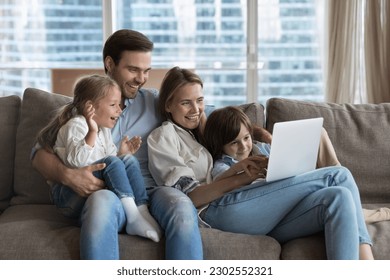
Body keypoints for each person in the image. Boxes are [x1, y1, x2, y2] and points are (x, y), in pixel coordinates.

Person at [147, 66, 374, 260]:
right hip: (217, 211)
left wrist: (262, 136)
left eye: (200, 101)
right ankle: (368, 264)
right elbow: (192, 196)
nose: (196, 110)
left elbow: (234, 123)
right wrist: (241, 177)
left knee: (337, 197)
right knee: (338, 175)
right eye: (186, 103)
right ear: (168, 105)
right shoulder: (163, 136)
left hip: (256, 213)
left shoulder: (202, 125)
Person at [31, 29, 202, 259]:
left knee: (181, 207)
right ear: (110, 64)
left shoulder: (154, 101)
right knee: (101, 202)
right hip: (107, 192)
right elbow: (38, 154)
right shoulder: (85, 108)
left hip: (154, 189)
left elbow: (200, 113)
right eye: (133, 70)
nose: (141, 79)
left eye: (146, 71)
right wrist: (68, 176)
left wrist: (252, 131)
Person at [36, 74, 161, 242]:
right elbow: (77, 162)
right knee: (112, 161)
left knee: (129, 161)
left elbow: (110, 164)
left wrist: (122, 155)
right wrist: (92, 132)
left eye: (119, 104)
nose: (120, 110)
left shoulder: (104, 130)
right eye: (113, 105)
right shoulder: (76, 125)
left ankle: (142, 211)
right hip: (67, 196)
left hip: (89, 192)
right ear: (91, 107)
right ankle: (132, 217)